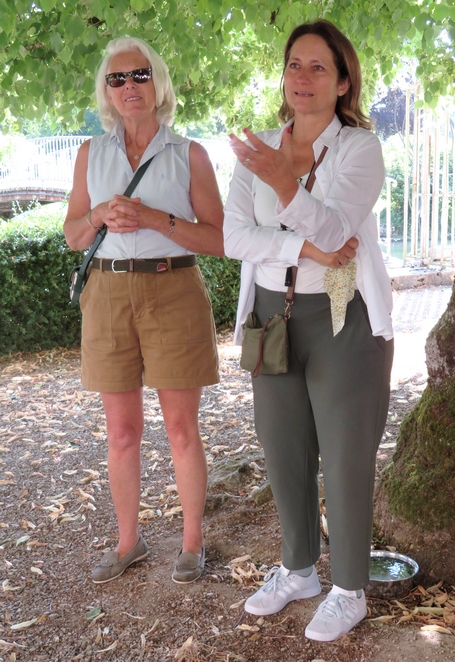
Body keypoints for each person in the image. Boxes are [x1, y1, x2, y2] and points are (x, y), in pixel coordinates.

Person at [224, 19, 394, 642]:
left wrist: (281, 185)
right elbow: (233, 237)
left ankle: (349, 588)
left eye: (318, 66)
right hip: (273, 317)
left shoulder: (360, 149)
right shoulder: (258, 146)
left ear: (343, 80)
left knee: (346, 458)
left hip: (345, 322)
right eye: (295, 64)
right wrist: (301, 248)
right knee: (283, 448)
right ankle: (299, 570)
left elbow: (338, 232)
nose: (303, 77)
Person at [64, 37, 224, 585]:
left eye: (138, 75)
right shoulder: (91, 154)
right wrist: (100, 217)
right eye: (117, 79)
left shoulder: (189, 154)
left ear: (157, 84)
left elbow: (218, 238)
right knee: (121, 432)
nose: (128, 87)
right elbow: (71, 235)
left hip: (172, 290)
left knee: (181, 427)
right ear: (106, 93)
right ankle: (128, 541)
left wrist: (155, 218)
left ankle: (192, 541)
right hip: (107, 295)